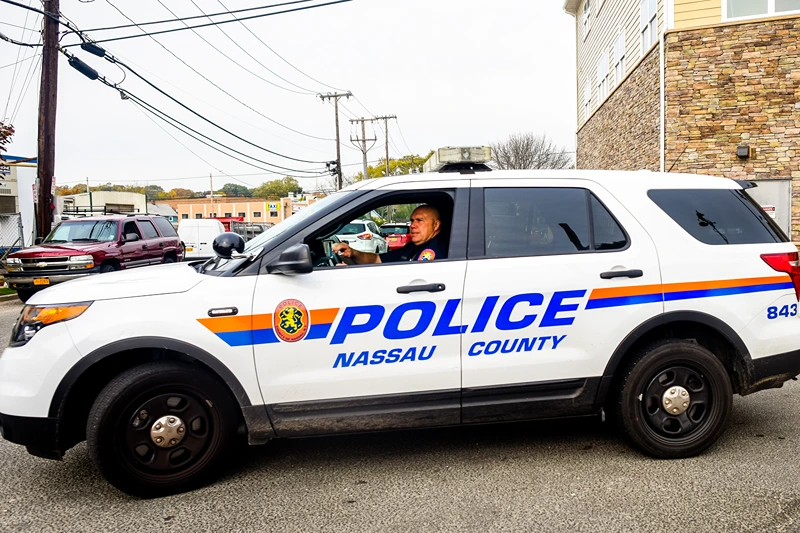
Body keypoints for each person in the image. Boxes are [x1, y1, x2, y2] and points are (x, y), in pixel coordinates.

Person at [333, 205, 446, 264]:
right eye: (412, 221)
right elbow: (377, 259)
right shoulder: (413, 247)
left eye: (419, 220)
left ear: (435, 225)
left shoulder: (438, 249)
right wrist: (352, 252)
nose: (412, 225)